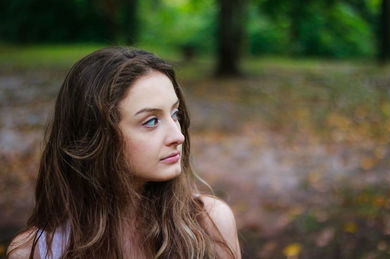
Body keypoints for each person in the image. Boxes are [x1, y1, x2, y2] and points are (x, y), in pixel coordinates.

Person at [6, 47, 241, 259]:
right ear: (95, 137)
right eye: (150, 121)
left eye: (175, 114)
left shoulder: (209, 225)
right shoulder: (36, 252)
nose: (177, 136)